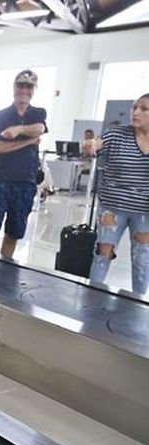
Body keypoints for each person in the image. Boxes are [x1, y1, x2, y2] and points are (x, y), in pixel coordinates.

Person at [0, 69, 48, 259]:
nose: (24, 90)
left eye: (28, 87)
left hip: (25, 182)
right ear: (14, 88)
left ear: (33, 90)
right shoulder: (0, 115)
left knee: (13, 233)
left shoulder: (38, 113)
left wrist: (18, 130)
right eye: (20, 86)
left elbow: (39, 129)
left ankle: (4, 274)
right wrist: (27, 141)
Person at [89, 93, 149, 295]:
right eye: (135, 108)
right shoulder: (116, 135)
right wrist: (90, 145)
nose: (136, 112)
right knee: (103, 253)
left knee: (142, 259)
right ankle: (93, 295)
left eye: (144, 109)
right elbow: (97, 143)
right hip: (112, 208)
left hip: (144, 212)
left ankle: (139, 302)